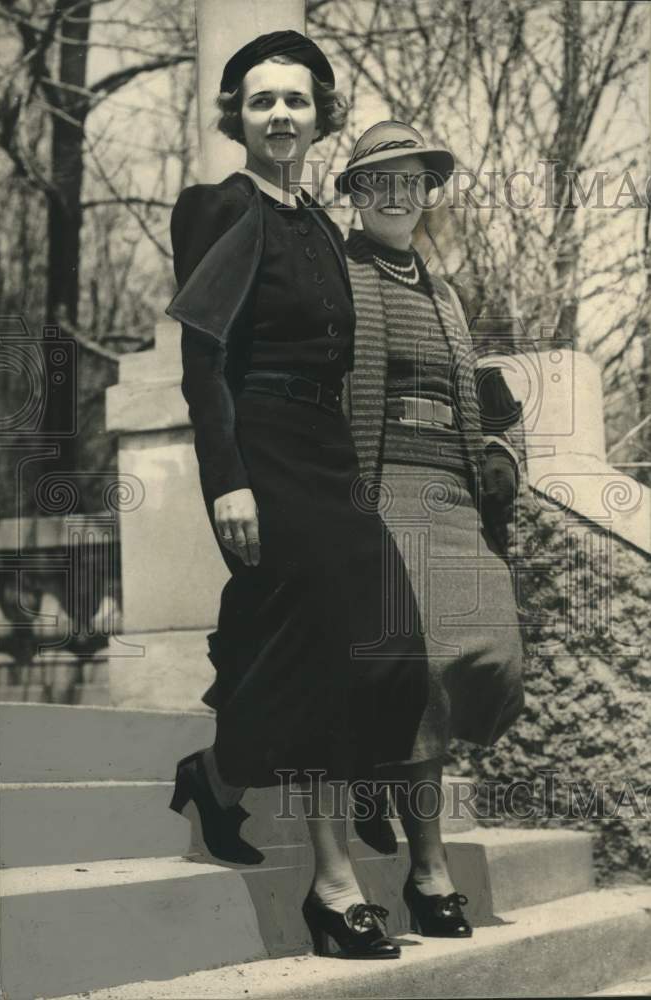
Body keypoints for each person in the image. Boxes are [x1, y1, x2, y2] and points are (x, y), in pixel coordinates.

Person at [165, 35, 434, 960]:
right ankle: (333, 885)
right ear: (235, 116)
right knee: (318, 655)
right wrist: (226, 478)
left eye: (297, 101)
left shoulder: (321, 224)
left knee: (392, 642)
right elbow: (204, 363)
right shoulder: (218, 207)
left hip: (330, 451)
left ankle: (217, 776)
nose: (280, 116)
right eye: (260, 101)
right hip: (265, 446)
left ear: (322, 115)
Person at [336, 120, 526, 937]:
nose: (397, 195)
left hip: (452, 500)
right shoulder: (337, 276)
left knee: (494, 651)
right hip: (379, 494)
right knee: (418, 672)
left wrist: (498, 456)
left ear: (427, 194)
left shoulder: (445, 295)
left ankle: (376, 773)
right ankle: (428, 870)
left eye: (412, 182)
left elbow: (483, 403)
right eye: (380, 181)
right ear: (354, 194)